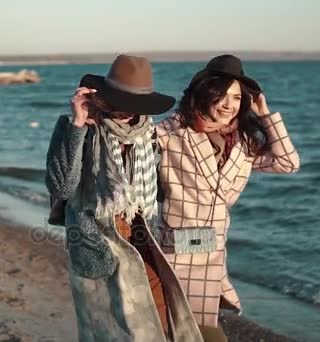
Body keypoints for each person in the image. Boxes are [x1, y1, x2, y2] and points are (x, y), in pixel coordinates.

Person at [45, 55, 203, 341]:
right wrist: (78, 125)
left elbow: (158, 188)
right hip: (95, 241)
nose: (127, 112)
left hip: (140, 237)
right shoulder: (78, 129)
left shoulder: (147, 135)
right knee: (107, 329)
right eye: (121, 102)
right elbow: (61, 188)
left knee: (160, 318)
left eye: (136, 105)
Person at [155, 54, 300, 340]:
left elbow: (288, 163)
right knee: (197, 333)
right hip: (176, 252)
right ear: (204, 94)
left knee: (191, 333)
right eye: (220, 95)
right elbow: (134, 145)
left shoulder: (243, 143)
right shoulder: (174, 131)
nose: (228, 105)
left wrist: (265, 113)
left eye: (236, 98)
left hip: (214, 254)